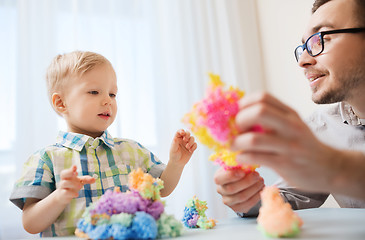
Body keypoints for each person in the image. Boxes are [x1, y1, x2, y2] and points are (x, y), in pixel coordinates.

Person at [9, 51, 197, 236]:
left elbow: (162, 188)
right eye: (94, 92)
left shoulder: (132, 150)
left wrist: (176, 164)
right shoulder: (46, 159)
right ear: (61, 103)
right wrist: (60, 196)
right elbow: (30, 224)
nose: (107, 100)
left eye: (113, 94)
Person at [214, 0, 365, 217]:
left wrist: (333, 165)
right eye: (304, 47)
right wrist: (249, 198)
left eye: (321, 38)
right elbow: (285, 197)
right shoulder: (322, 126)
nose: (303, 60)